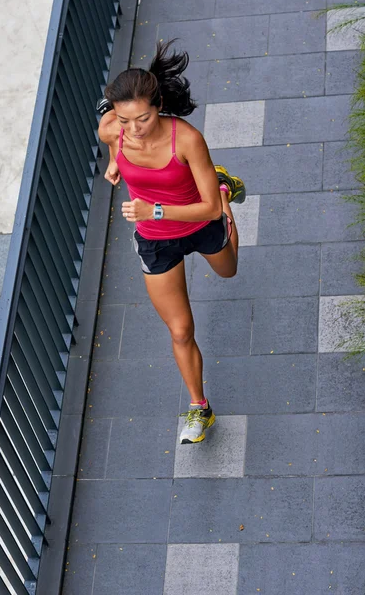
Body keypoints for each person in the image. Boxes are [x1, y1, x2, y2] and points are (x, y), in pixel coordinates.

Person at [97, 40, 246, 444]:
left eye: (142, 119)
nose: (133, 130)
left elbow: (208, 211)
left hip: (198, 220)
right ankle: (200, 408)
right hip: (155, 241)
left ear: (158, 105)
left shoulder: (187, 140)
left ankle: (224, 186)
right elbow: (110, 134)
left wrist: (156, 209)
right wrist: (115, 159)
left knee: (229, 271)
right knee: (180, 331)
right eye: (125, 120)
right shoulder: (115, 128)